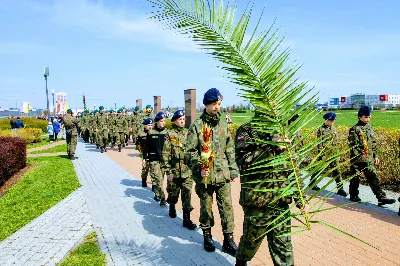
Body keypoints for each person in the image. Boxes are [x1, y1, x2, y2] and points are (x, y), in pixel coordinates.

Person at [234, 117, 309, 266]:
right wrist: (271, 148)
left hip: (280, 203)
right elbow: (242, 161)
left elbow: (292, 167)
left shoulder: (282, 130)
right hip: (257, 203)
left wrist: (301, 198)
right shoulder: (247, 130)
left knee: (284, 252)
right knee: (250, 244)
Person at [185, 88, 238, 256]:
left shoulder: (223, 125)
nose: (217, 107)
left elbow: (229, 148)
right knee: (206, 208)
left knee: (227, 207)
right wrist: (199, 166)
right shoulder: (197, 126)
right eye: (214, 104)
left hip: (223, 175)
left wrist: (233, 170)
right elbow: (189, 152)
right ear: (206, 104)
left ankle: (228, 239)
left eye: (219, 104)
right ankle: (207, 236)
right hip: (205, 177)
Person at [348, 105, 395, 206]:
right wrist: (360, 156)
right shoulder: (355, 129)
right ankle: (353, 195)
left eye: (369, 117)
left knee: (374, 178)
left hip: (368, 159)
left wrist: (376, 156)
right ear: (360, 117)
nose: (368, 119)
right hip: (357, 160)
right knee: (355, 179)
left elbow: (373, 144)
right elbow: (353, 146)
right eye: (366, 117)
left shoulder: (369, 128)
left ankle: (381, 198)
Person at [162, 110, 197, 230]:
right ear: (174, 121)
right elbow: (165, 154)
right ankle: (172, 205)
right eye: (179, 119)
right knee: (173, 194)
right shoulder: (169, 135)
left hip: (187, 171)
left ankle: (186, 219)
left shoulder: (189, 133)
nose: (182, 121)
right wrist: (168, 172)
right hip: (175, 171)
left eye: (183, 119)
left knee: (187, 194)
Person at [310, 112, 348, 197]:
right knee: (318, 169)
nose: (332, 122)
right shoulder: (321, 129)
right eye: (331, 121)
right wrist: (322, 154)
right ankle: (312, 183)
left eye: (333, 121)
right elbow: (319, 143)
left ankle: (340, 189)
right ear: (326, 120)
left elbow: (335, 142)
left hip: (333, 153)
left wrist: (337, 154)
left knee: (337, 171)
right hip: (324, 154)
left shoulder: (333, 129)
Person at [146, 112, 168, 205]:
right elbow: (146, 146)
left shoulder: (167, 132)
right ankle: (162, 197)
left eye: (164, 121)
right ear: (157, 122)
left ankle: (158, 192)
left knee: (161, 179)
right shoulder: (151, 132)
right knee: (158, 179)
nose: (163, 123)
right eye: (161, 121)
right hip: (154, 159)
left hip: (165, 159)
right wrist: (144, 158)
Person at [136, 118, 153, 187]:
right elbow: (138, 145)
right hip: (144, 154)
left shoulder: (154, 133)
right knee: (145, 168)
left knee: (153, 169)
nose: (150, 126)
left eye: (151, 125)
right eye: (148, 125)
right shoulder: (141, 134)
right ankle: (143, 181)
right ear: (145, 125)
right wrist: (141, 155)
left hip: (153, 154)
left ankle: (154, 183)